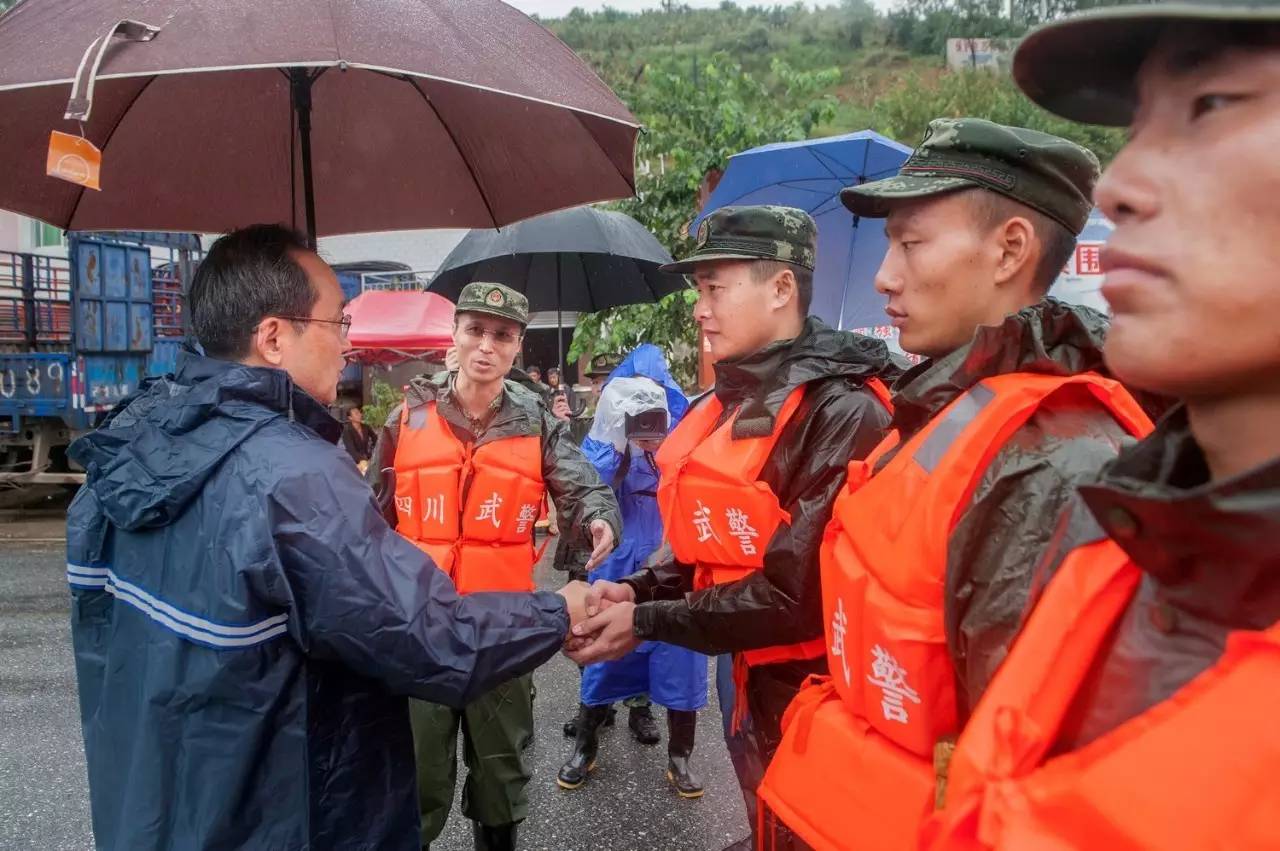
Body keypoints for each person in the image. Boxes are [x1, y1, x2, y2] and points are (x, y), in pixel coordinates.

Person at [63, 225, 594, 851]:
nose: (347, 343)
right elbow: (429, 637)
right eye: (336, 322)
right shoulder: (298, 477)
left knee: (498, 782)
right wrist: (560, 611)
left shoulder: (124, 445)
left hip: (151, 806)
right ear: (273, 337)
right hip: (279, 811)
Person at [923, 6, 1280, 849]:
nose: (1116, 186)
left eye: (1213, 104)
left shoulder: (1075, 465)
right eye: (1137, 121)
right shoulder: (1116, 524)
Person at [755, 119, 1157, 851]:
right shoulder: (939, 408)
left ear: (1009, 249)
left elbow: (1042, 793)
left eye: (911, 243)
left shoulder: (1052, 465)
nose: (884, 275)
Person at [567, 205, 897, 851]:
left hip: (815, 697)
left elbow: (792, 597)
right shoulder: (736, 401)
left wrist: (643, 621)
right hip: (747, 680)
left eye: (715, 287)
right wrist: (637, 589)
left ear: (781, 289)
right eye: (698, 291)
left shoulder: (843, 412)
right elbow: (709, 544)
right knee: (762, 811)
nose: (699, 308)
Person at [366, 281, 621, 851]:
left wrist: (599, 518)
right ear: (454, 335)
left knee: (502, 778)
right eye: (475, 331)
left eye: (501, 335)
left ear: (517, 346)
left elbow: (584, 488)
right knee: (416, 777)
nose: (486, 345)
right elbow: (366, 516)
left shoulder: (537, 421)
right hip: (419, 626)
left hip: (504, 627)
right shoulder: (406, 415)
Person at [557, 345, 710, 798]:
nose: (647, 427)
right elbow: (588, 484)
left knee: (681, 656)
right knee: (604, 654)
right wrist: (615, 438)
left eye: (653, 413)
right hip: (622, 560)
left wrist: (670, 445)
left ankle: (680, 756)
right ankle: (586, 745)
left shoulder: (685, 437)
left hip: (671, 562)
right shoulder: (610, 443)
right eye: (636, 414)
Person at [340, 404, 376, 470]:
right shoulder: (347, 431)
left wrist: (373, 454)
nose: (360, 415)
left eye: (359, 412)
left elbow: (376, 440)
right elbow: (351, 450)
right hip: (353, 461)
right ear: (350, 418)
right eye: (356, 414)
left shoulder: (366, 427)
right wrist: (364, 460)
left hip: (367, 458)